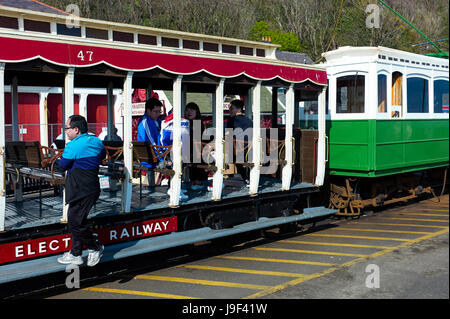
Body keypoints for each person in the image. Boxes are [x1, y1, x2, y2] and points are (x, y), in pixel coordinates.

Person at [56, 115, 106, 267]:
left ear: (76, 130)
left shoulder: (72, 146)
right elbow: (102, 156)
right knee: (77, 220)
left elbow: (62, 166)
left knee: (75, 222)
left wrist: (59, 160)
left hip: (79, 189)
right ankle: (76, 253)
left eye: (67, 128)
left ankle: (95, 247)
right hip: (91, 188)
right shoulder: (97, 141)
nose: (65, 131)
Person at [225, 99, 253, 186]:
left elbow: (222, 133)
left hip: (237, 154)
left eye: (231, 108)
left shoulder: (231, 121)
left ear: (238, 109)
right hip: (250, 152)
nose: (229, 110)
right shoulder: (249, 121)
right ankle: (247, 179)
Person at [184, 102, 208, 190]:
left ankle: (198, 181)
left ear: (196, 111)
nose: (189, 112)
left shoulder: (197, 124)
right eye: (187, 110)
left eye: (192, 110)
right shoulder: (186, 124)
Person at [137, 97, 164, 168]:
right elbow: (152, 142)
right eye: (155, 111)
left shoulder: (155, 120)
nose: (158, 114)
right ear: (148, 111)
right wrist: (162, 159)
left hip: (154, 157)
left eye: (159, 112)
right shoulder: (146, 122)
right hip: (151, 159)